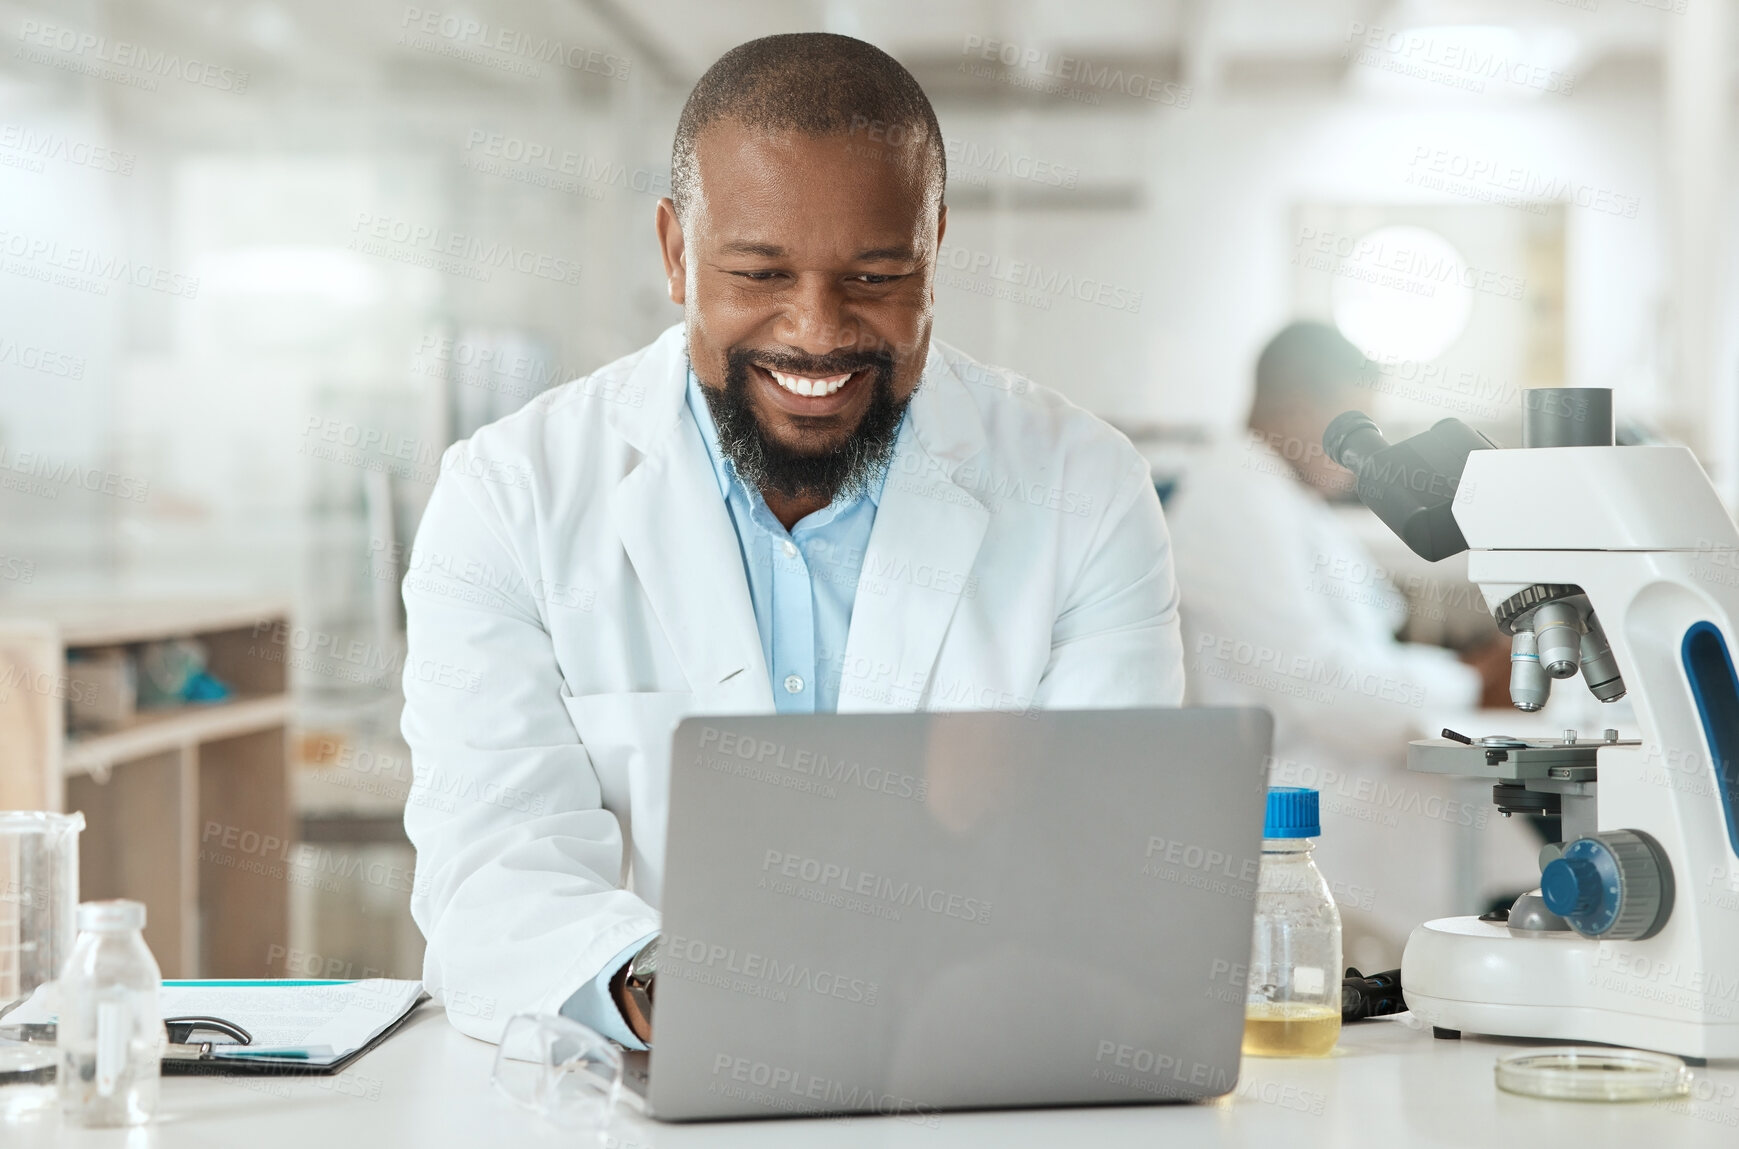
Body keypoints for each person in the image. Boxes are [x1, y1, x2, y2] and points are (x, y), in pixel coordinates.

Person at [401, 34, 1185, 1048]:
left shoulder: (1084, 486)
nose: (816, 331)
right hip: (640, 1086)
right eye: (760, 270)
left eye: (874, 274)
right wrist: (693, 996)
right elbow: (490, 873)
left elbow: (1101, 854)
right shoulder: (510, 494)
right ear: (677, 253)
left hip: (970, 1080)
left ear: (934, 246)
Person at [1163, 322, 1502, 970]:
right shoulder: (1234, 499)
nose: (1359, 454)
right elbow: (1323, 688)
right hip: (1289, 787)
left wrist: (1465, 676)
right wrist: (1468, 682)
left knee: (1495, 820)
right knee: (1483, 825)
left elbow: (1358, 659)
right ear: (1296, 410)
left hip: (1329, 764)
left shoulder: (1278, 495)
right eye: (1354, 423)